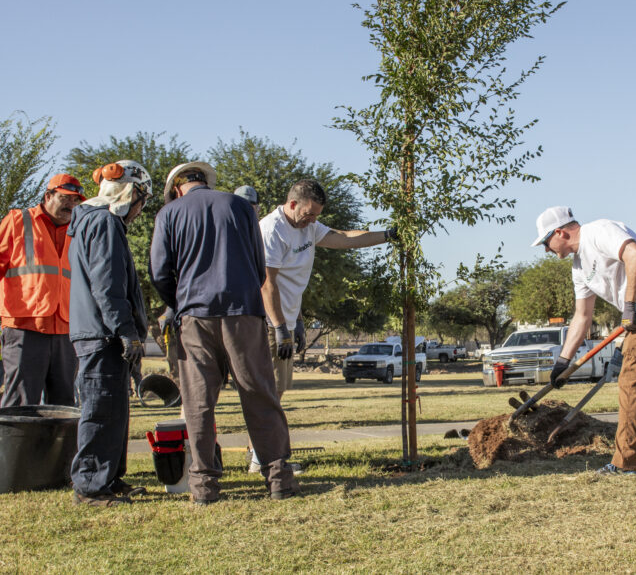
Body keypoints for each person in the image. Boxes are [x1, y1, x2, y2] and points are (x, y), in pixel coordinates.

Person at [150, 161, 298, 503]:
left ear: (176, 188)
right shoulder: (239, 206)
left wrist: (181, 301)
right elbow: (259, 265)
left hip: (194, 317)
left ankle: (203, 488)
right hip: (243, 313)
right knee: (260, 393)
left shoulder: (169, 213)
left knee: (198, 402)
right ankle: (279, 480)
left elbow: (159, 271)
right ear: (206, 181)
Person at [250, 178, 395, 472]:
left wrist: (388, 235)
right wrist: (279, 328)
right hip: (267, 323)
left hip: (287, 321)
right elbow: (268, 284)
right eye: (309, 213)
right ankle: (265, 461)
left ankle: (263, 457)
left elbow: (345, 238)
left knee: (278, 392)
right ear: (292, 204)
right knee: (269, 393)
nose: (313, 220)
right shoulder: (272, 229)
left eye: (317, 215)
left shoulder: (308, 227)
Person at [536, 206, 636, 475]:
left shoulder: (598, 231)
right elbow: (582, 316)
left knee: (631, 382)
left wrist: (629, 306)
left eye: (547, 242)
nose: (547, 249)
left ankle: (625, 462)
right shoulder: (578, 267)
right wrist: (563, 362)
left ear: (560, 232)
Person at [67, 160, 152, 507]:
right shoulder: (104, 222)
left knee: (114, 411)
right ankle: (90, 487)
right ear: (131, 194)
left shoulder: (93, 221)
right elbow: (108, 286)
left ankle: (109, 479)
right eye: (141, 201)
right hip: (102, 334)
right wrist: (126, 331)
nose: (139, 211)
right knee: (101, 411)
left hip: (101, 334)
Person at [0, 173, 84, 406]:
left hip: (65, 328)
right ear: (48, 195)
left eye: (76, 201)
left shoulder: (77, 231)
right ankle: (18, 444)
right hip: (24, 327)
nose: (71, 205)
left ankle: (58, 444)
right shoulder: (18, 221)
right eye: (66, 198)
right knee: (21, 400)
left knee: (64, 403)